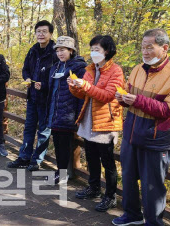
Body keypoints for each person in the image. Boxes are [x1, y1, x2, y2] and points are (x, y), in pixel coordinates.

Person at [112, 29, 170, 226]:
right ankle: (132, 215)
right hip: (131, 134)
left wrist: (137, 101)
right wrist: (123, 99)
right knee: (128, 178)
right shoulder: (138, 69)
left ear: (164, 48)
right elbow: (130, 97)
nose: (144, 52)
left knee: (152, 186)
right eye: (142, 47)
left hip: (155, 138)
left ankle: (153, 222)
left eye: (149, 48)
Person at [69, 35, 124, 212]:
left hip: (105, 122)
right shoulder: (90, 69)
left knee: (107, 161)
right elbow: (84, 94)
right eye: (92, 49)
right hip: (88, 120)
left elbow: (107, 96)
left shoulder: (116, 71)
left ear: (107, 51)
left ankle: (110, 196)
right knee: (91, 157)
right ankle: (93, 188)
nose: (93, 53)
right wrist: (74, 86)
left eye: (97, 50)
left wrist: (84, 86)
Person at [7, 20, 58, 171]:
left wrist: (45, 85)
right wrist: (27, 78)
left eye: (44, 31)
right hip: (33, 97)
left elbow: (58, 77)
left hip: (47, 99)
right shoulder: (33, 50)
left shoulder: (55, 52)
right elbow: (25, 69)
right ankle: (24, 157)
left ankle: (36, 160)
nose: (41, 34)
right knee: (29, 128)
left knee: (43, 130)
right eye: (38, 31)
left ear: (50, 34)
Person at [46, 36, 87, 184]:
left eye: (63, 50)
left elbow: (82, 95)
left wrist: (78, 116)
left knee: (64, 146)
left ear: (71, 50)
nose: (60, 53)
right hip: (55, 112)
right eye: (57, 50)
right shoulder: (56, 67)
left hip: (68, 113)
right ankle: (60, 172)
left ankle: (63, 174)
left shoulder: (79, 69)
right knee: (57, 144)